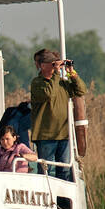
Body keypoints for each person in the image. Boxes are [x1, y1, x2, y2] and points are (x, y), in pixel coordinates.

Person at [29, 48, 85, 181]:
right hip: (46, 136)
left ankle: (63, 201)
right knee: (48, 171)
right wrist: (56, 74)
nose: (56, 68)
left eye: (56, 64)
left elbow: (81, 90)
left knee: (64, 170)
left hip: (64, 134)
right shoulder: (37, 83)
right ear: (42, 66)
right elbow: (49, 94)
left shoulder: (61, 83)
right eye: (53, 64)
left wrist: (72, 74)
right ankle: (49, 199)